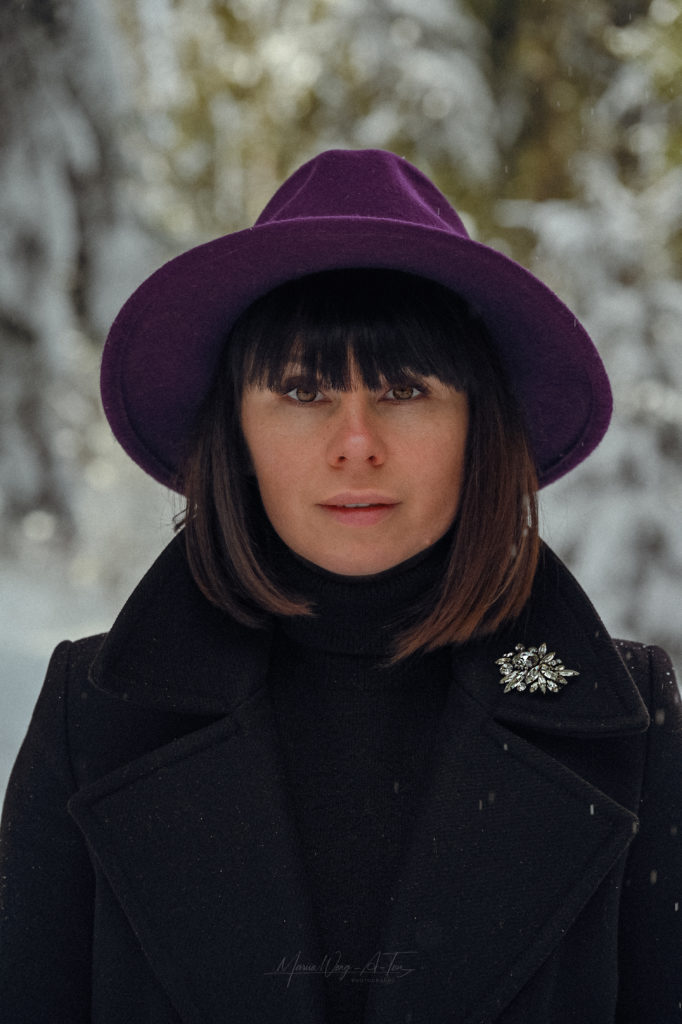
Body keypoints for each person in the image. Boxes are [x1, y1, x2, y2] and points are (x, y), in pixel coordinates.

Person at [0, 148, 680, 1024]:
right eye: (300, 390)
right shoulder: (92, 717)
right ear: (235, 432)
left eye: (404, 389)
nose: (355, 442)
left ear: (480, 426)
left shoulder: (629, 725)